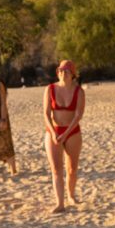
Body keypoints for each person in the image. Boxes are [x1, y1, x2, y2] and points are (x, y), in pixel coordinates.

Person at [43, 59, 85, 213]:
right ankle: (60, 203)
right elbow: (46, 114)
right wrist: (54, 133)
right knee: (56, 169)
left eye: (66, 71)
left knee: (72, 168)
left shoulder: (79, 91)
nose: (62, 73)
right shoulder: (50, 89)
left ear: (72, 74)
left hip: (72, 131)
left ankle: (71, 195)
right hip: (53, 130)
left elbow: (78, 115)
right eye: (60, 70)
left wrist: (66, 133)